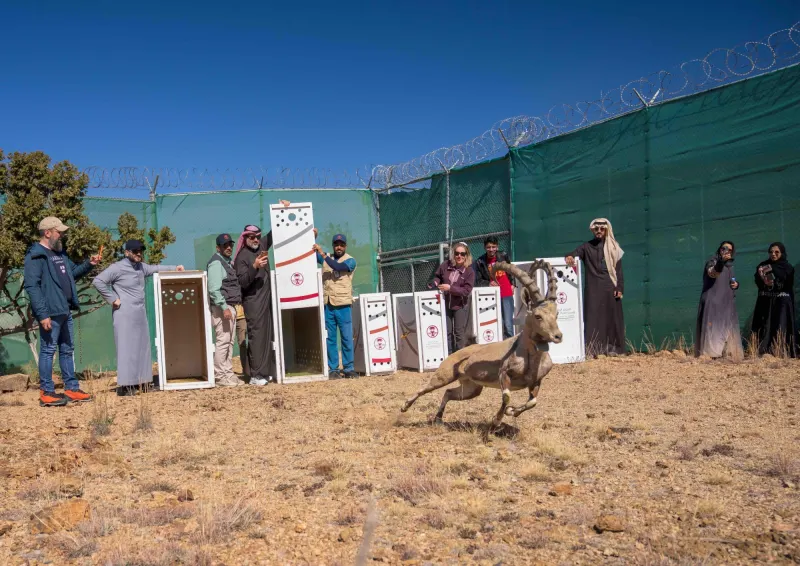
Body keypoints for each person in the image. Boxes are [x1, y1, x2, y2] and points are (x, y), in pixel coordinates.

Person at [23, 216, 101, 407]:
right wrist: (42, 315)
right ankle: (47, 392)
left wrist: (89, 264)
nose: (62, 235)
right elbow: (33, 287)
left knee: (67, 350)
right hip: (50, 312)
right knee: (48, 350)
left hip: (65, 309)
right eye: (59, 232)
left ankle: (71, 389)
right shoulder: (36, 255)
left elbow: (72, 274)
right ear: (47, 233)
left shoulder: (60, 254)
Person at [92, 240, 183, 396]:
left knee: (142, 347)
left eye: (141, 250)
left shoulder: (141, 267)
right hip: (124, 314)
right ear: (127, 252)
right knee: (127, 348)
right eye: (135, 251)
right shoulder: (117, 267)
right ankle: (125, 386)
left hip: (139, 313)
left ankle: (142, 382)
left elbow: (156, 268)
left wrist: (175, 268)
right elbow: (98, 281)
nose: (139, 253)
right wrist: (113, 299)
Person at [234, 200, 290, 385]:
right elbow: (242, 281)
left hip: (266, 299)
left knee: (268, 335)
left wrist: (283, 209)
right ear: (245, 238)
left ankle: (266, 372)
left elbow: (273, 233)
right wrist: (255, 266)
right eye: (252, 237)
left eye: (257, 236)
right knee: (257, 336)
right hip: (253, 301)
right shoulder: (242, 257)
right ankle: (256, 375)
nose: (256, 240)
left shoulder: (262, 247)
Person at [566, 218, 626, 356]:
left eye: (602, 229)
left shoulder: (614, 247)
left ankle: (614, 349)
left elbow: (619, 272)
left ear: (606, 230)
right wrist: (569, 256)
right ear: (593, 230)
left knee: (612, 319)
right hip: (593, 288)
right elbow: (574, 254)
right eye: (596, 229)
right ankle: (593, 350)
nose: (599, 231)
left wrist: (619, 288)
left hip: (611, 287)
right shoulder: (586, 247)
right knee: (594, 318)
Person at [313, 233, 358, 379]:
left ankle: (349, 368)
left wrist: (323, 255)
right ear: (333, 245)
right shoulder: (327, 257)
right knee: (330, 338)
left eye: (342, 244)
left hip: (343, 305)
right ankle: (333, 369)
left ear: (345, 246)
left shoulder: (350, 261)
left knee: (346, 338)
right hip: (328, 305)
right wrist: (312, 237)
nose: (339, 247)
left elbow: (337, 266)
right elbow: (311, 253)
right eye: (336, 244)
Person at [206, 233, 246, 386]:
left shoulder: (226, 262)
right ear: (218, 248)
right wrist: (224, 307)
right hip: (223, 308)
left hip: (230, 306)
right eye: (225, 245)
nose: (228, 247)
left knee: (229, 343)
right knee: (223, 342)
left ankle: (228, 374)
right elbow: (214, 289)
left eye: (230, 244)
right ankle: (220, 377)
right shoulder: (216, 263)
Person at [695, 241, 743, 359]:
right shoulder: (712, 262)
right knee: (713, 329)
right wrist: (721, 262)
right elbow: (713, 273)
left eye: (729, 250)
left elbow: (731, 280)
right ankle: (711, 355)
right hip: (713, 303)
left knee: (727, 329)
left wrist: (736, 285)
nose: (726, 251)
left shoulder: (730, 266)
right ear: (719, 250)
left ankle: (729, 354)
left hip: (727, 304)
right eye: (724, 248)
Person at [751, 242, 796, 357]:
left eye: (777, 252)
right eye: (771, 252)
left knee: (780, 324)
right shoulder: (763, 265)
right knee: (765, 325)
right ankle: (764, 351)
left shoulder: (787, 267)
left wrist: (772, 270)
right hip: (767, 301)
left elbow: (786, 281)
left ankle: (781, 352)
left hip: (781, 303)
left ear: (782, 253)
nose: (773, 254)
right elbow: (760, 282)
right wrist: (763, 275)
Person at [430, 242, 475, 354]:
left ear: (466, 256)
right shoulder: (445, 265)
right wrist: (435, 282)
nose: (459, 256)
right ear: (453, 254)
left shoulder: (469, 272)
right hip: (445, 303)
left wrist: (450, 288)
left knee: (459, 332)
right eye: (457, 253)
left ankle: (460, 357)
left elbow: (466, 291)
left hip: (460, 305)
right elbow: (438, 276)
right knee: (447, 332)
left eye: (462, 254)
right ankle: (448, 356)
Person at [474, 236, 516, 339]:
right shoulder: (480, 261)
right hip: (492, 295)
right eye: (488, 247)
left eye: (493, 247)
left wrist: (513, 284)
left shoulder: (503, 255)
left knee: (508, 324)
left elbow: (511, 270)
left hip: (506, 293)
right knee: (497, 323)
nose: (491, 249)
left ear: (497, 247)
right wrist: (488, 283)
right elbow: (478, 280)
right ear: (485, 247)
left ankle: (511, 347)